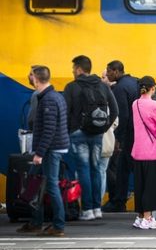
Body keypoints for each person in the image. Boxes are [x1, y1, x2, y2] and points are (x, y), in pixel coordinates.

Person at [16, 66, 70, 237]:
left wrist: (39, 153)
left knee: (51, 186)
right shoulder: (52, 96)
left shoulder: (48, 100)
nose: (29, 77)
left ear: (36, 78)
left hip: (50, 149)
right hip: (49, 148)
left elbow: (49, 130)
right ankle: (36, 222)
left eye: (31, 75)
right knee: (34, 183)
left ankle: (58, 225)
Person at [63, 55, 119, 220]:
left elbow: (66, 112)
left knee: (83, 171)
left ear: (79, 69)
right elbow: (115, 111)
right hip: (97, 135)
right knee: (96, 170)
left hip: (78, 134)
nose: (73, 71)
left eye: (74, 68)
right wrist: (103, 129)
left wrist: (70, 131)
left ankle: (87, 210)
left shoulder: (71, 87)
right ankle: (97, 208)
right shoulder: (103, 86)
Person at [131, 76, 156, 229]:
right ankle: (148, 218)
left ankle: (140, 217)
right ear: (153, 88)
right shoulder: (154, 105)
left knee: (140, 184)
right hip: (152, 150)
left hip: (138, 150)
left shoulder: (135, 104)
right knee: (151, 185)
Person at [102, 60, 139, 213]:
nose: (107, 74)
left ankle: (118, 201)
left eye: (109, 72)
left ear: (116, 71)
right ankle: (122, 200)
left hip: (128, 136)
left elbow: (122, 115)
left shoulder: (119, 88)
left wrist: (118, 138)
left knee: (123, 169)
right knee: (129, 169)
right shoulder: (134, 82)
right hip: (138, 134)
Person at [98, 70, 118, 203]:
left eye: (103, 77)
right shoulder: (111, 100)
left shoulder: (102, 98)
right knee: (102, 172)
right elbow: (116, 121)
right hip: (108, 142)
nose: (102, 79)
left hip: (97, 142)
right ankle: (97, 203)